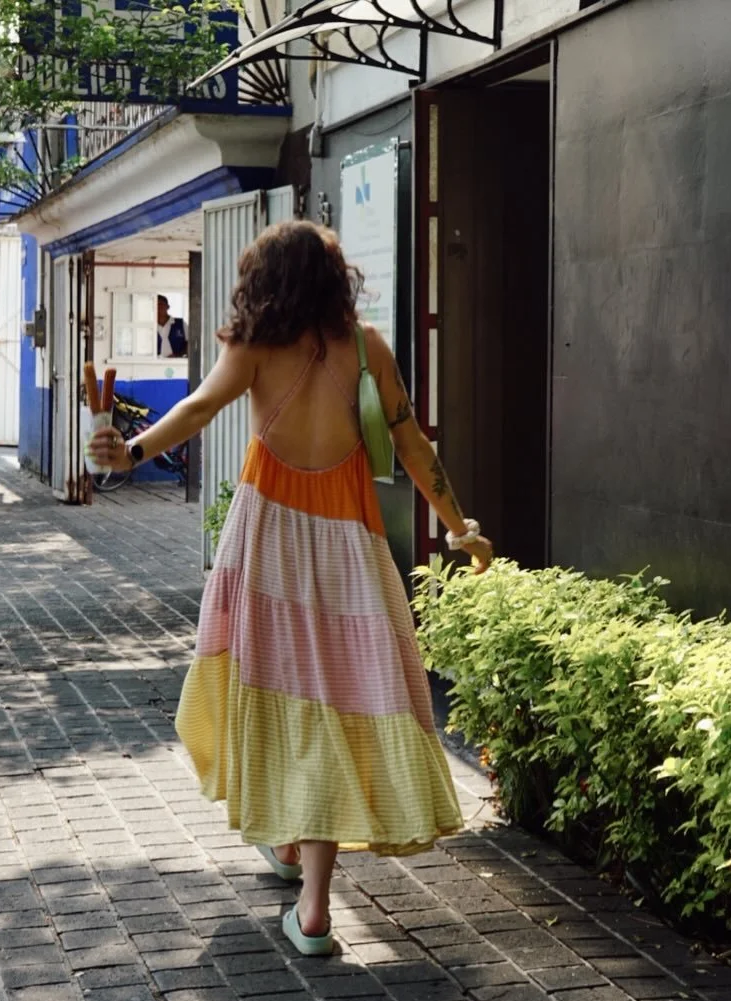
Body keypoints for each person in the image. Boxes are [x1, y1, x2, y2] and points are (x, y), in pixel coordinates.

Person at [91, 221, 493, 956]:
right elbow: (412, 444)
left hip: (269, 544)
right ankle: (291, 858)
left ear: (265, 280)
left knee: (283, 696)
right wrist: (460, 527)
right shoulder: (367, 347)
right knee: (335, 702)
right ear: (335, 278)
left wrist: (133, 452)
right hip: (349, 550)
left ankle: (313, 908)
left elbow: (200, 409)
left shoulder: (254, 348)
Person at [156, 294, 188, 358]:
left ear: (168, 306)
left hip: (176, 363)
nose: (158, 307)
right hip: (154, 363)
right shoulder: (149, 325)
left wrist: (178, 355)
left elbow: (189, 343)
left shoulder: (180, 323)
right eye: (156, 305)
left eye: (161, 304)